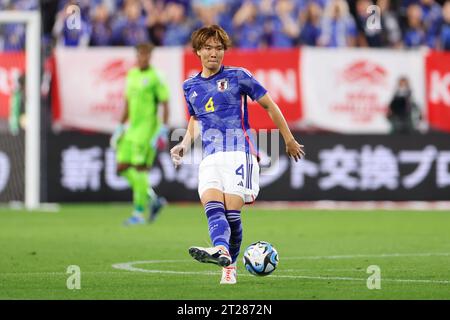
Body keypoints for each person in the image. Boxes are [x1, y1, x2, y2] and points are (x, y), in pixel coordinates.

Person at [170, 25, 305, 284]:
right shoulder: (190, 86)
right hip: (209, 157)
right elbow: (196, 120)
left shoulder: (238, 76)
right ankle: (222, 252)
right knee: (212, 208)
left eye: (219, 48)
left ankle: (227, 265)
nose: (214, 53)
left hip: (238, 152)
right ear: (198, 51)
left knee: (232, 214)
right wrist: (184, 144)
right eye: (208, 48)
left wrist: (288, 139)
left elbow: (269, 105)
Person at [110, 42, 169, 225]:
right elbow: (127, 102)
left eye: (145, 55)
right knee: (121, 167)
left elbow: (165, 104)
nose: (142, 58)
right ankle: (153, 200)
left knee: (139, 169)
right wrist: (120, 126)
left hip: (146, 131)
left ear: (150, 56)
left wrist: (163, 129)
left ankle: (138, 213)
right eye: (139, 55)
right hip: (130, 130)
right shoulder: (132, 75)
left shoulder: (155, 77)